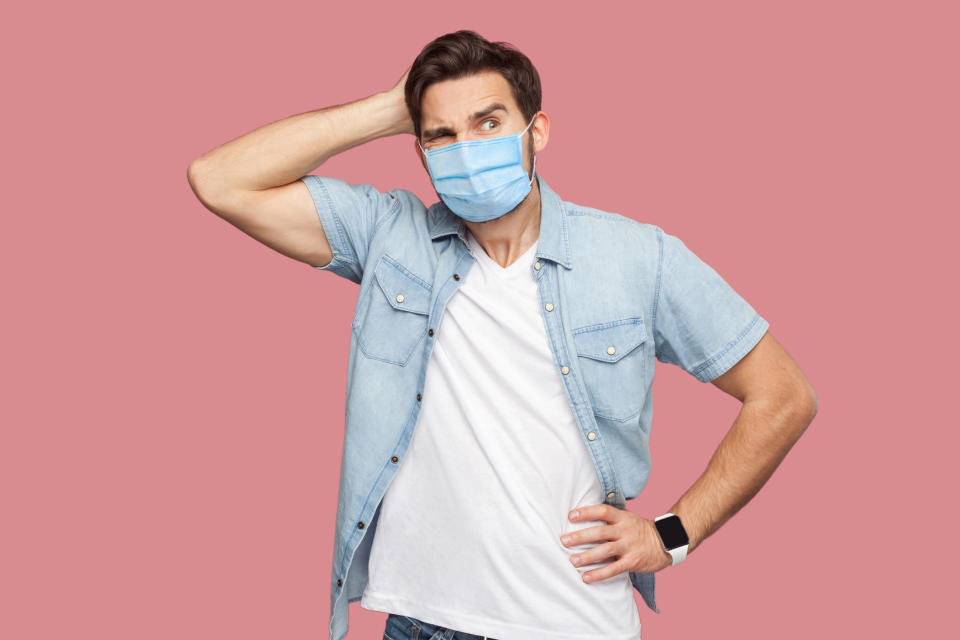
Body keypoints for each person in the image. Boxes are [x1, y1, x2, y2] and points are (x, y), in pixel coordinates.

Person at [187, 29, 818, 640]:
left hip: (573, 624)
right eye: (442, 135)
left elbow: (784, 395)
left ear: (536, 130)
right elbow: (220, 179)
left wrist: (673, 533)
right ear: (421, 151)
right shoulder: (391, 236)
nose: (466, 147)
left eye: (488, 123)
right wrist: (392, 106)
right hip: (420, 624)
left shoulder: (636, 256)